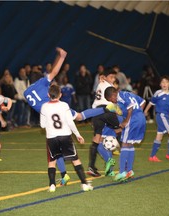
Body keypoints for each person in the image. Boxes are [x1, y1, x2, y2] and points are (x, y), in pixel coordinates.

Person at [24, 47, 106, 185]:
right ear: (40, 79)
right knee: (79, 116)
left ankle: (64, 175)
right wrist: (61, 57)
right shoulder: (42, 82)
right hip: (57, 109)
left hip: (48, 116)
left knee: (53, 150)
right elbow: (54, 72)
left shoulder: (26, 93)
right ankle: (105, 109)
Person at [40, 84, 93, 192]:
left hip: (51, 137)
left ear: (48, 94)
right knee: (75, 160)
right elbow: (70, 122)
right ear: (60, 94)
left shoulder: (44, 106)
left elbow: (42, 125)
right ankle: (84, 184)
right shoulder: (64, 105)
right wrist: (78, 134)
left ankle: (52, 185)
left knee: (52, 162)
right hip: (65, 136)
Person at [104, 86, 146, 182]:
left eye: (111, 99)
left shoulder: (120, 96)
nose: (112, 102)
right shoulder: (128, 93)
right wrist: (139, 113)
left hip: (132, 120)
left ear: (114, 94)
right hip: (141, 118)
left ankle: (122, 171)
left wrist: (126, 121)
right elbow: (143, 102)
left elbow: (130, 108)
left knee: (124, 144)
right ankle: (129, 171)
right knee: (129, 144)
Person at [144, 75, 169, 162]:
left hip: (165, 116)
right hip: (161, 116)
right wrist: (145, 111)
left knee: (159, 136)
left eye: (166, 82)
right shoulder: (158, 93)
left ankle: (152, 156)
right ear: (160, 84)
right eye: (162, 82)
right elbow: (151, 102)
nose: (164, 84)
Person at [88, 68, 120, 177]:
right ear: (105, 77)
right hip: (106, 111)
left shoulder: (100, 84)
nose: (113, 79)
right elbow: (112, 103)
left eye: (114, 77)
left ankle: (92, 167)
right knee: (114, 133)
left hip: (96, 112)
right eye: (111, 77)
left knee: (98, 139)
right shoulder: (109, 87)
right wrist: (118, 112)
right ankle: (109, 163)